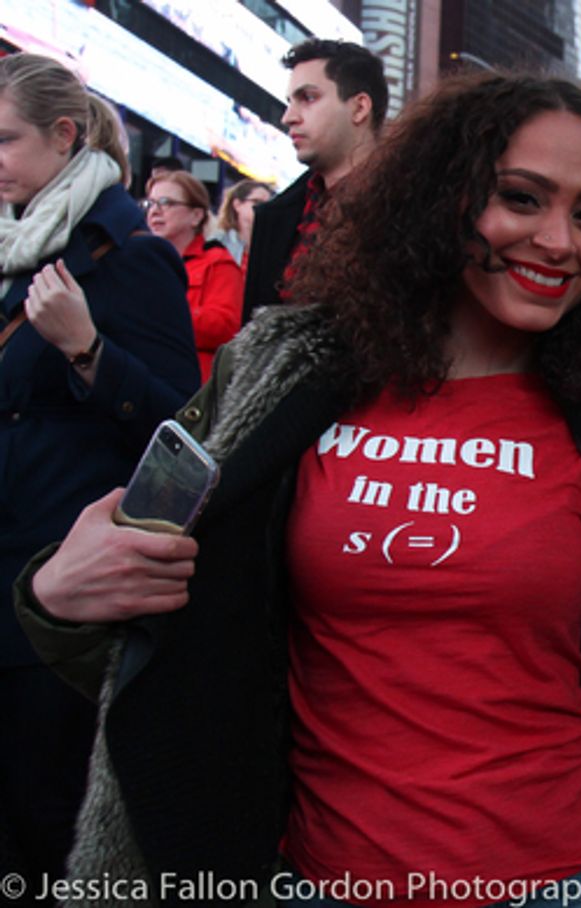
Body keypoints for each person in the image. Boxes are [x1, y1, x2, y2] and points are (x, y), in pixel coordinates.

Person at [15, 73, 581, 908]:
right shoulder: (284, 374)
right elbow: (174, 660)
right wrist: (56, 598)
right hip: (317, 879)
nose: (560, 241)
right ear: (441, 200)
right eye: (522, 198)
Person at [0, 53, 199, 900]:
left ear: (63, 136)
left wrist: (88, 350)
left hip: (62, 601)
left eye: (4, 140)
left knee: (45, 825)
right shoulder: (14, 243)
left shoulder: (128, 254)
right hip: (12, 577)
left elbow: (183, 434)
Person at [243, 39, 387, 322]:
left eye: (308, 98)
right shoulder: (275, 217)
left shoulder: (414, 209)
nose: (288, 118)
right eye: (290, 102)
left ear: (359, 108)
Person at [144, 171, 244, 380]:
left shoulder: (217, 264)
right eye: (150, 203)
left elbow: (225, 328)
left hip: (188, 384)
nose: (155, 211)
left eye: (166, 203)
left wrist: (161, 312)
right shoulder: (140, 263)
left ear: (196, 216)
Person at [214, 178, 274, 264]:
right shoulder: (219, 242)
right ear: (237, 205)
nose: (264, 208)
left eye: (268, 204)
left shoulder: (273, 244)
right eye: (257, 202)